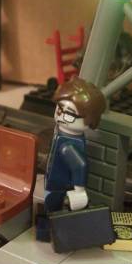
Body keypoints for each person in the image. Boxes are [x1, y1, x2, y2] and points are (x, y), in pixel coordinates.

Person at [36, 77, 106, 242]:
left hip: (58, 183)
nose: (61, 116)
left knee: (52, 206)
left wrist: (79, 190)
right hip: (55, 178)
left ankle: (52, 231)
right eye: (59, 110)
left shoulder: (68, 144)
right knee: (53, 205)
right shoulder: (63, 134)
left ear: (90, 120)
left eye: (69, 115)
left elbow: (79, 165)